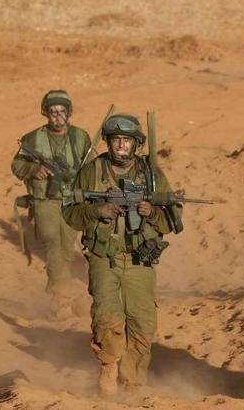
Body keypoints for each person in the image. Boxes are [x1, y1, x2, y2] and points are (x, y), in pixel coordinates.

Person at [62, 113, 181, 394]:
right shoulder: (92, 171)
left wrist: (151, 213)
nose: (121, 146)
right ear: (108, 142)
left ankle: (134, 383)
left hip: (141, 260)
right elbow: (69, 211)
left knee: (142, 323)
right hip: (104, 258)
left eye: (127, 140)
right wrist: (96, 210)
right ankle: (109, 364)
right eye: (116, 140)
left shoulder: (151, 174)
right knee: (107, 315)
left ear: (136, 144)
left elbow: (173, 219)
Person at [11, 90, 90, 316]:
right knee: (53, 244)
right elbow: (17, 165)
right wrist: (34, 169)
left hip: (72, 201)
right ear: (46, 113)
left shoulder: (81, 138)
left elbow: (93, 168)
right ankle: (62, 301)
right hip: (45, 200)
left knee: (66, 249)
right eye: (53, 112)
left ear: (69, 112)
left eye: (61, 112)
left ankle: (58, 290)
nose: (57, 116)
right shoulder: (34, 139)